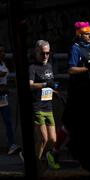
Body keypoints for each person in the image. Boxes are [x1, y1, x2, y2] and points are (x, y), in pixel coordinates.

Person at [29, 40, 60, 170]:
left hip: (48, 107)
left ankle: (47, 157)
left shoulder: (49, 66)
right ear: (36, 53)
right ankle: (35, 164)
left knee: (53, 140)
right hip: (37, 107)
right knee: (43, 139)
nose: (45, 56)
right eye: (42, 53)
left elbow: (50, 84)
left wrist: (54, 90)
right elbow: (30, 85)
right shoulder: (32, 68)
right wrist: (44, 85)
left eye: (47, 53)